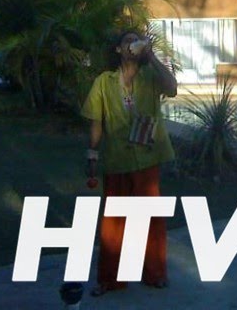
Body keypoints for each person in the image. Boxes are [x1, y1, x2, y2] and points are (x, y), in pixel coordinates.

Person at [81, 29, 178, 296]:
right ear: (118, 49)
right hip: (117, 159)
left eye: (136, 40)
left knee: (151, 219)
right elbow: (96, 121)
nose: (132, 45)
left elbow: (172, 88)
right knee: (114, 222)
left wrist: (152, 55)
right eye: (127, 41)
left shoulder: (150, 76)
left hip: (148, 157)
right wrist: (92, 153)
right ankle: (110, 279)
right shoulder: (104, 81)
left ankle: (155, 274)